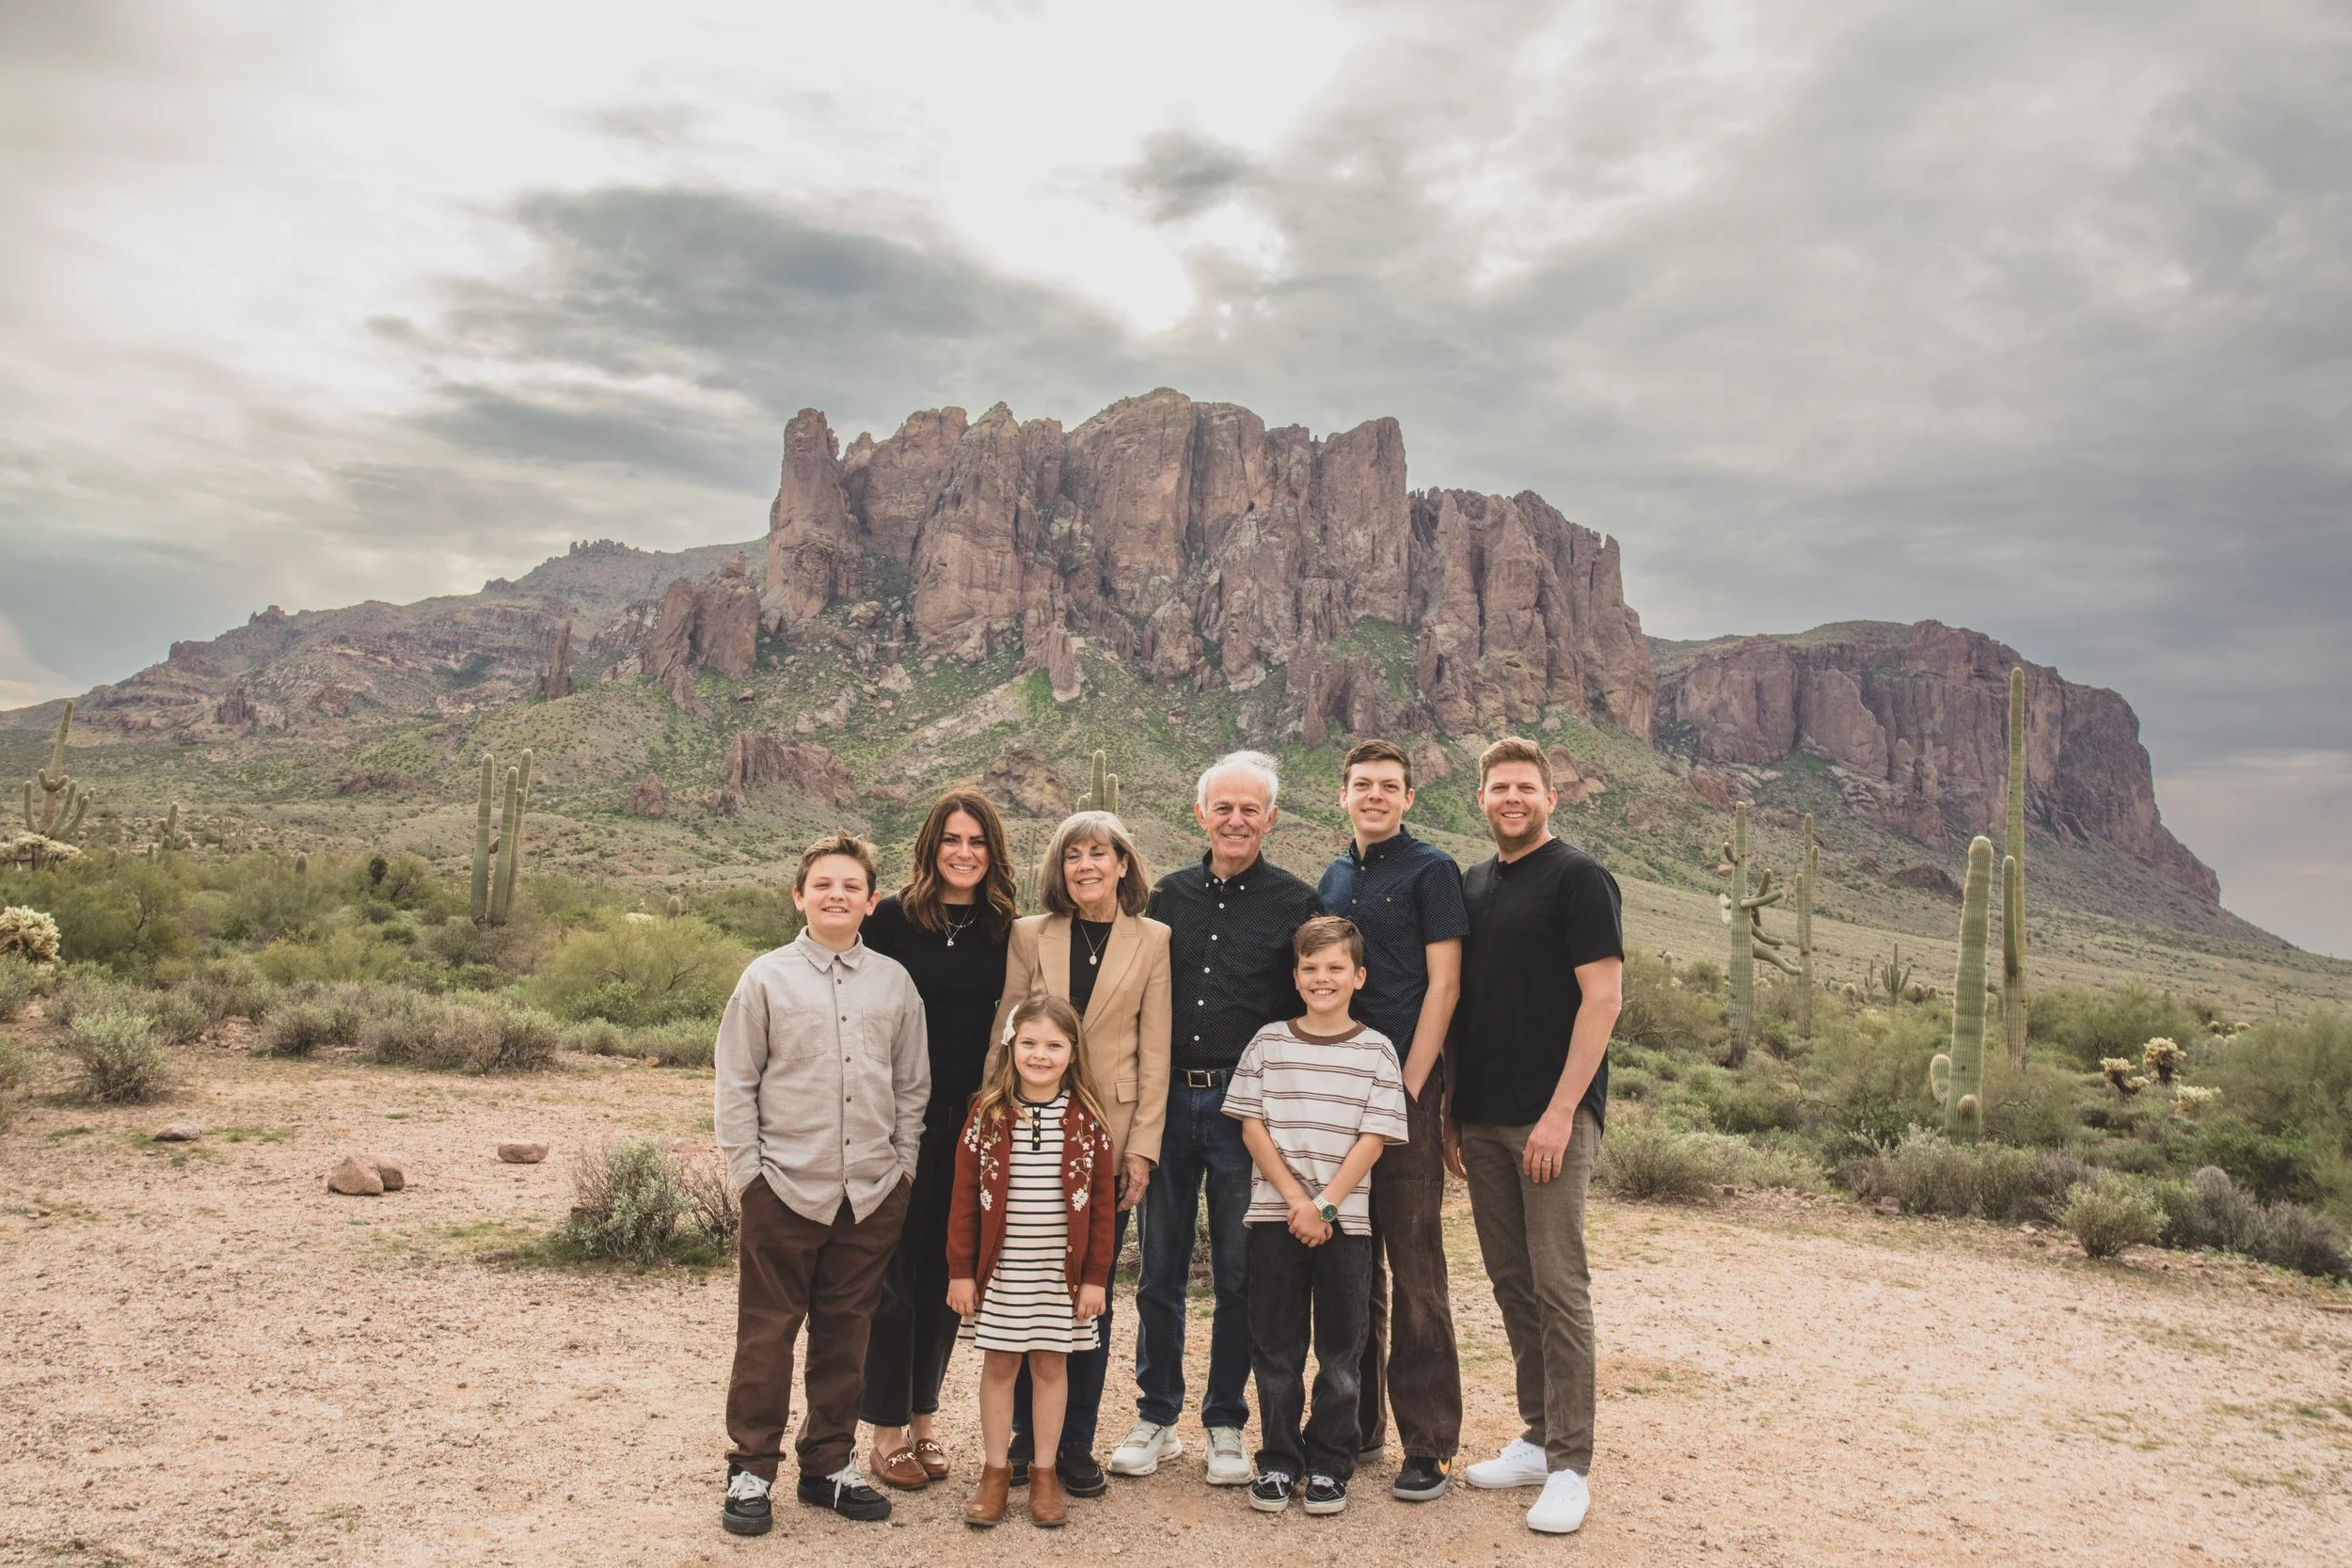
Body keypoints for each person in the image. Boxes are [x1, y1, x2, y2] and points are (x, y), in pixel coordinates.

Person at [1118, 751, 1323, 1487]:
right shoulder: (1164, 898)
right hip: (1166, 1101)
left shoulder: (1299, 905)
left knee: (1239, 1274)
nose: (1236, 820)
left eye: (1250, 809)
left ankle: (1225, 1421)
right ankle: (1157, 1415)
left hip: (1247, 1108)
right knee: (1159, 1268)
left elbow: (1312, 1006)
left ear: (1270, 819)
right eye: (1223, 808)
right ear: (1200, 813)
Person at [714, 832, 929, 1538]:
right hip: (783, 1186)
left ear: (872, 900)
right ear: (799, 895)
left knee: (848, 1331)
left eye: (851, 885)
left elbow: (910, 1085)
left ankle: (827, 1465)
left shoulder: (894, 983)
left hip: (869, 1191)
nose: (836, 895)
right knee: (767, 1334)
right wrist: (749, 1175)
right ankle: (751, 1469)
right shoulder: (766, 978)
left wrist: (901, 1169)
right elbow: (736, 1083)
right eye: (823, 884)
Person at [1448, 738, 1625, 1537]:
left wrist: (1561, 1112)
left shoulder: (1579, 877)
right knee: (1512, 1280)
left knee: (1560, 1285)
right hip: (1482, 1116)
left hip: (1550, 1116)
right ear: (1480, 797)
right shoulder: (1473, 883)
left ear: (1552, 797)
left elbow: (1603, 999)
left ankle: (1571, 1466)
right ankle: (1536, 1431)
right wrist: (1455, 1108)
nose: (1511, 798)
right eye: (1498, 787)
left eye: (1525, 787)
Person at [989, 810, 1171, 1497]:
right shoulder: (1032, 934)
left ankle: (1073, 1444)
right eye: (1074, 855)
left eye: (1100, 853)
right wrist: (989, 1123)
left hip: (1112, 1136)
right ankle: (1017, 1441)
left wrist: (1143, 1149)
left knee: (1086, 1292)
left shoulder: (1153, 940)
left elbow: (1155, 1052)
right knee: (1020, 1286)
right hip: (1030, 1133)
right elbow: (1005, 1029)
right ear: (1059, 867)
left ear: (1124, 863)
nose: (1087, 865)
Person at [1317, 738, 1468, 1500]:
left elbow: (1444, 987)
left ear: (1409, 797)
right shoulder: (1336, 874)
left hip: (1404, 1091)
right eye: (1362, 784)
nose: (1374, 795)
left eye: (1389, 785)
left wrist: (1406, 1091)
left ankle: (1431, 1440)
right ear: (1341, 794)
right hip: (1338, 1094)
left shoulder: (1431, 869)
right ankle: (1359, 1424)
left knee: (1414, 1266)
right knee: (1352, 1265)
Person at [856, 790, 1017, 1491]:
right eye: (951, 838)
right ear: (931, 844)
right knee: (891, 1271)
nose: (963, 851)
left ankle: (924, 1417)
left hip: (973, 1117)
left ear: (994, 851)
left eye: (977, 840)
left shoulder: (1006, 927)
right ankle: (885, 1428)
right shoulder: (891, 919)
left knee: (948, 1272)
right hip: (898, 1115)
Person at [1225, 916, 1408, 1517]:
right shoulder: (1268, 1043)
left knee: (1341, 1349)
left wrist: (1325, 1203)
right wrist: (1298, 1203)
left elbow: (1373, 1139)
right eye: (1310, 968)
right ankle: (1278, 1460)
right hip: (1277, 1219)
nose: (1321, 978)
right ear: (1295, 975)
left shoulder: (1377, 1050)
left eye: (1334, 968)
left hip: (1345, 1226)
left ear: (1358, 976)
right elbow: (1253, 1126)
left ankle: (1332, 1462)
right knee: (1275, 1345)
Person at [948, 995, 1120, 1529]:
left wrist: (1095, 1278)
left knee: (1051, 1365)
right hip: (1003, 1271)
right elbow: (963, 1196)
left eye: (1053, 1045)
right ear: (1011, 1046)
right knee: (999, 1366)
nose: (1040, 1055)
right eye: (1029, 1043)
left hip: (1059, 1274)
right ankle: (996, 1472)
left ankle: (1044, 1474)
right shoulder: (987, 1113)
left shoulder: (1088, 1121)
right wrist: (960, 1269)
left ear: (1073, 1053)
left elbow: (1101, 1210)